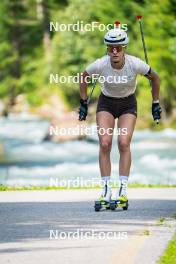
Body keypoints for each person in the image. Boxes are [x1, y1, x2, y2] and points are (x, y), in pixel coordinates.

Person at [78, 28, 161, 203]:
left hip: (127, 104)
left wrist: (155, 103)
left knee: (123, 143)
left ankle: (122, 191)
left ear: (124, 48)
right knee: (105, 144)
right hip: (106, 103)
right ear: (107, 49)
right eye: (110, 48)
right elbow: (84, 76)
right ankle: (106, 191)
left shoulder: (135, 64)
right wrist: (83, 102)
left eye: (118, 47)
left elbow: (155, 78)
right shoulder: (101, 64)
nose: (114, 51)